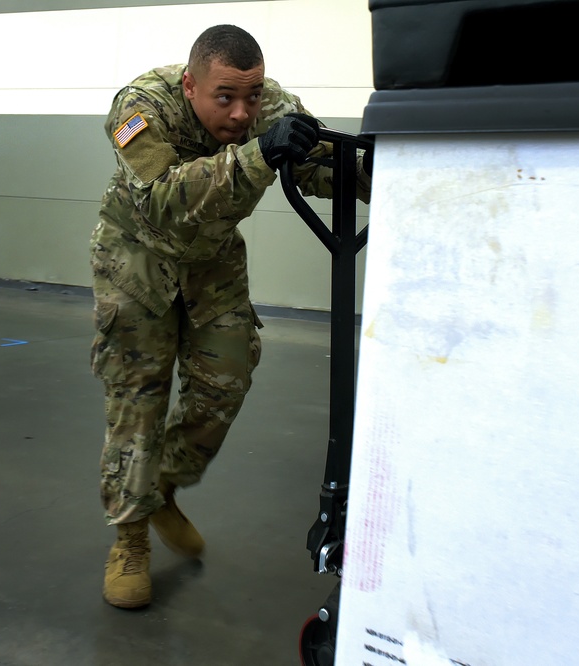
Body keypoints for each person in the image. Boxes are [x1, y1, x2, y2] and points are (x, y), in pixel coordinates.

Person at [89, 24, 371, 609]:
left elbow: (319, 167)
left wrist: (386, 169)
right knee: (137, 398)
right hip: (136, 259)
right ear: (191, 85)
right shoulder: (139, 106)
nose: (243, 113)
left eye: (253, 96)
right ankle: (131, 537)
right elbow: (165, 201)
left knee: (226, 382)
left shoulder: (270, 106)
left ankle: (163, 484)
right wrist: (261, 153)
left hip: (213, 260)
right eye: (226, 98)